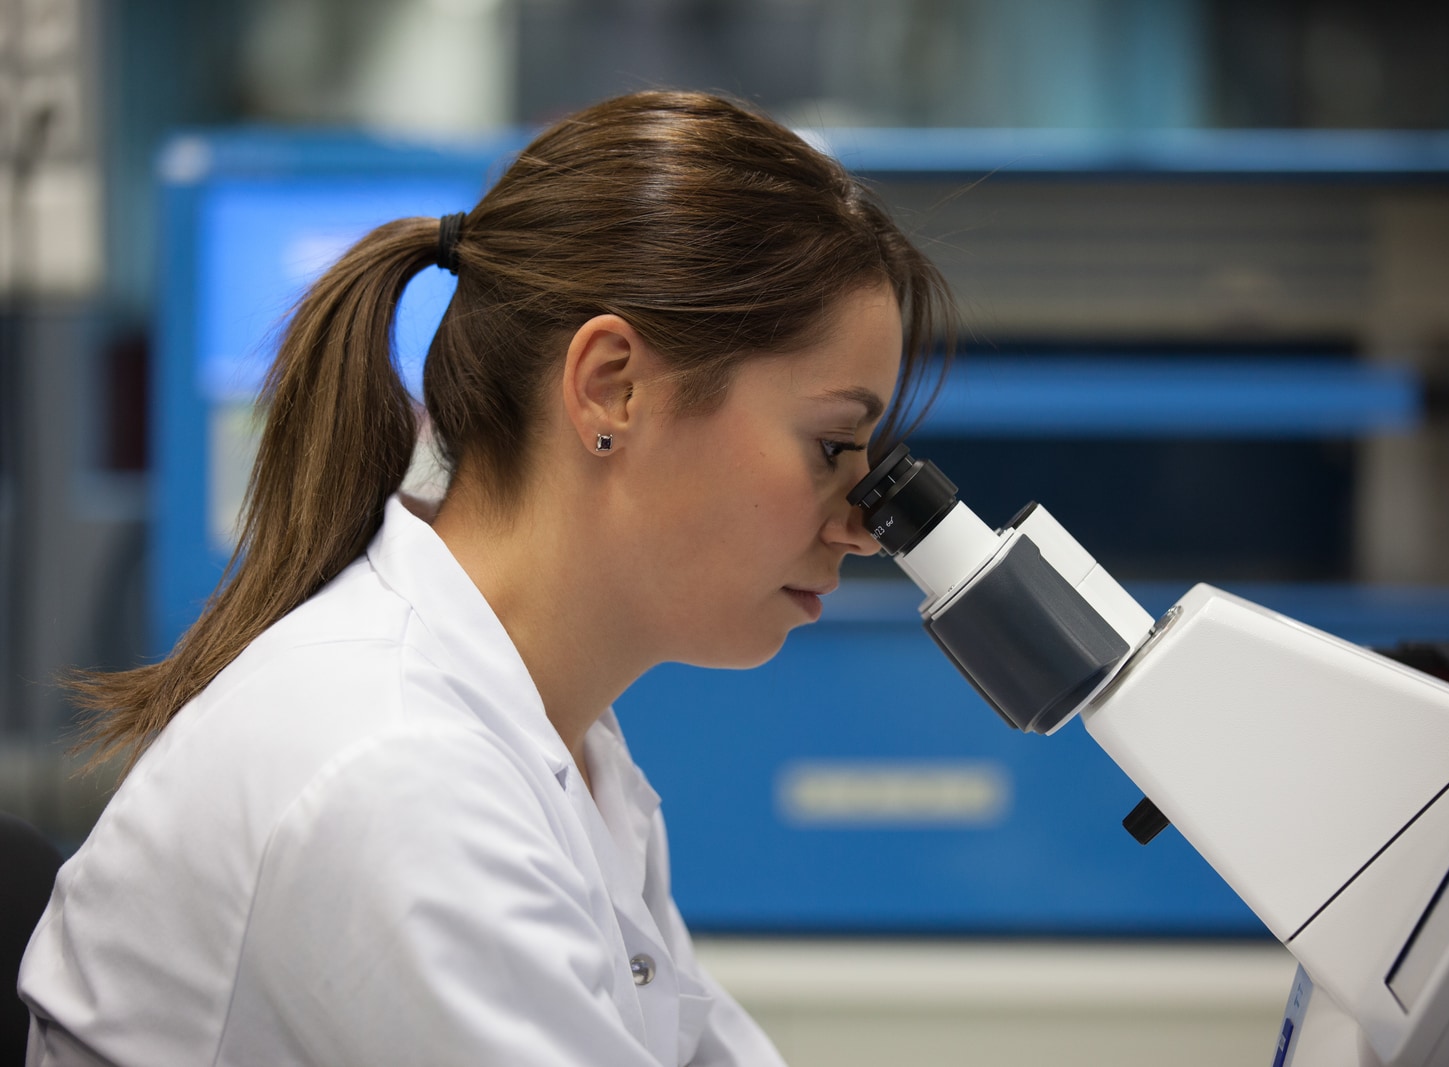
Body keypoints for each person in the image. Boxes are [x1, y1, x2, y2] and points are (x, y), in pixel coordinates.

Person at [16, 91, 954, 1066]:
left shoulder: (560, 749)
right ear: (611, 386)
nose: (863, 525)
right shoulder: (396, 767)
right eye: (833, 443)